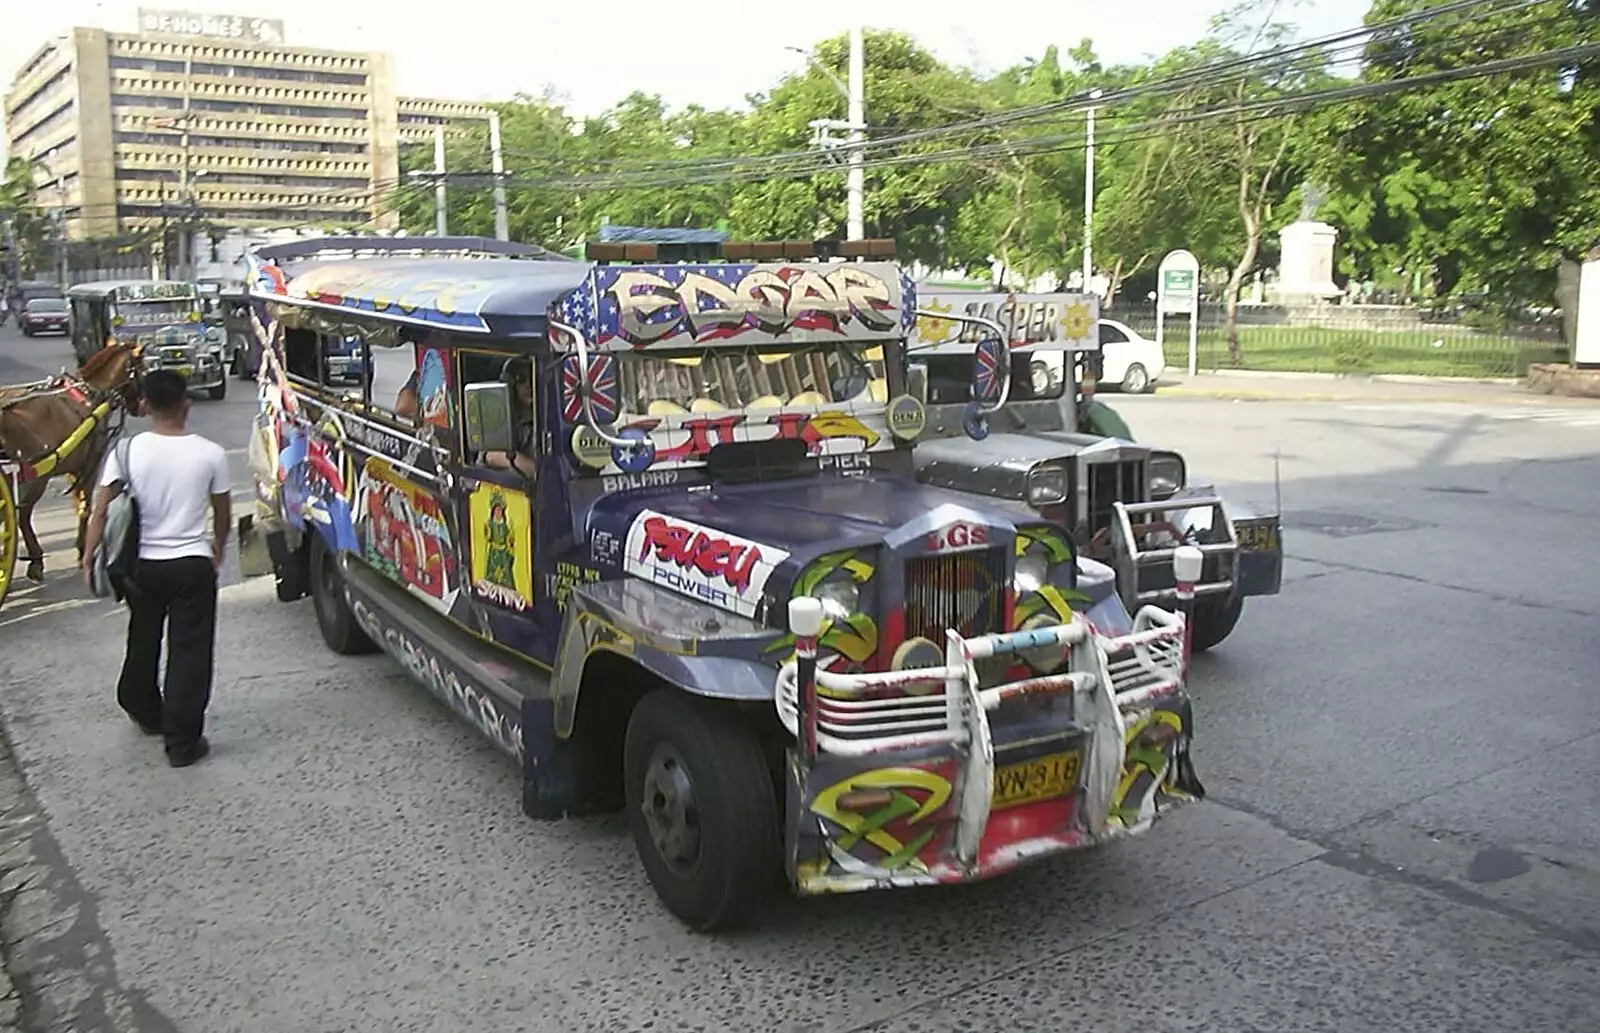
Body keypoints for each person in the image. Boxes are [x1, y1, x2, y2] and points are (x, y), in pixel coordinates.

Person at [82, 370, 231, 768]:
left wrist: (89, 555)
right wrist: (216, 549)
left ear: (144, 405)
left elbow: (100, 509)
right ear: (186, 403)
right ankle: (181, 743)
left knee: (143, 636)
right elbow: (222, 515)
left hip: (140, 567)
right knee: (190, 653)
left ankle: (143, 705)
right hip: (190, 565)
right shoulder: (210, 453)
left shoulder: (125, 452)